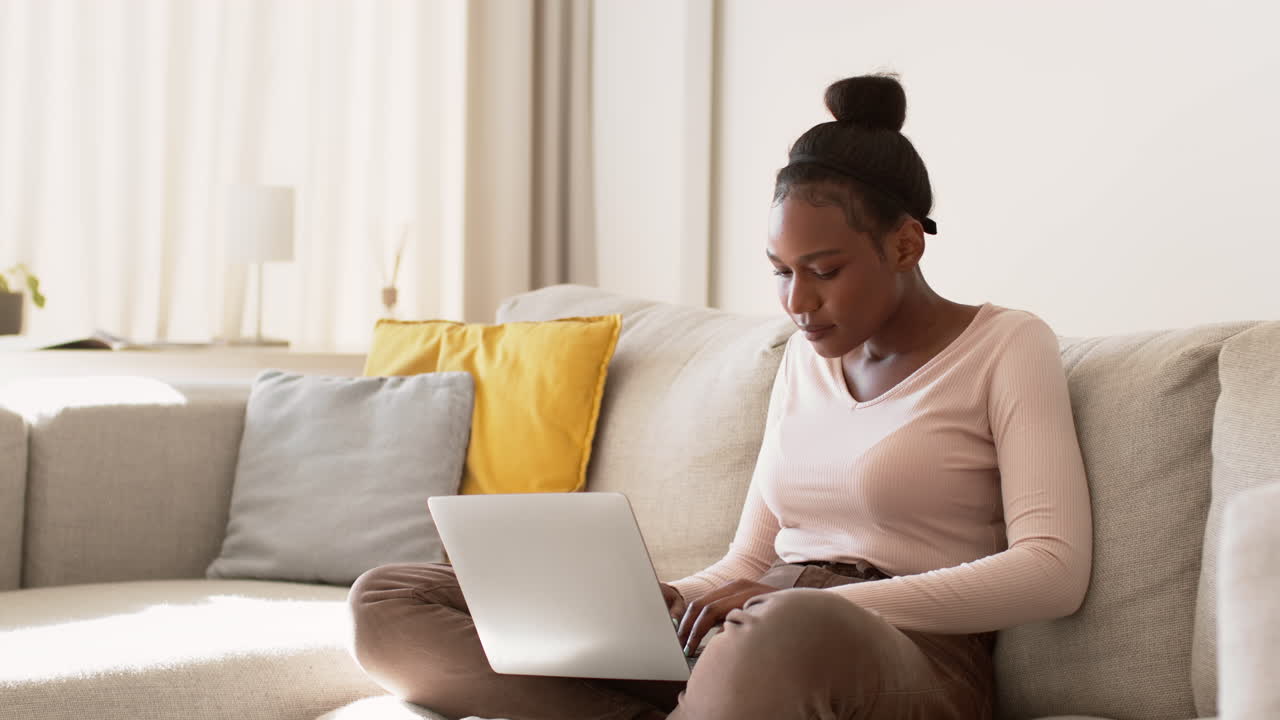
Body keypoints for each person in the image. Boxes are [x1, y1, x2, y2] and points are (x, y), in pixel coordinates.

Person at [345, 73, 1092, 720]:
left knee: (786, 631)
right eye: (780, 270)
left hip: (902, 653)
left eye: (824, 270)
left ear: (904, 244)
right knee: (389, 601)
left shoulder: (1008, 345)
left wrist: (817, 607)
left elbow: (1051, 570)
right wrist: (655, 603)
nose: (797, 301)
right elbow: (749, 559)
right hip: (757, 627)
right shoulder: (804, 359)